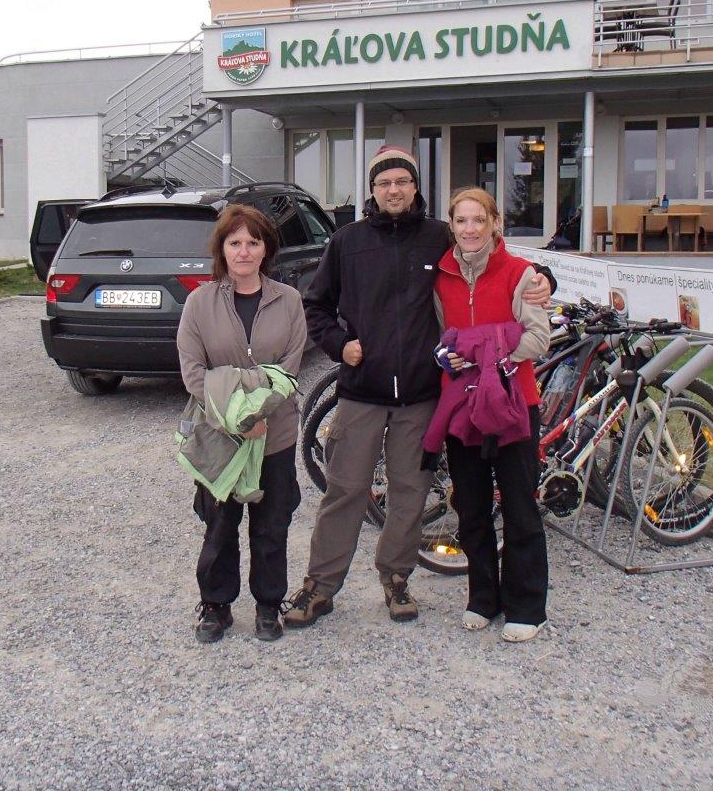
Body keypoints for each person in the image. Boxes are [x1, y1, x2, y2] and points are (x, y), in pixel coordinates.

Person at [284, 146, 552, 628]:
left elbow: (488, 257)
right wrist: (340, 345)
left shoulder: (437, 238)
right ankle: (319, 587)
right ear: (372, 190)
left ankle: (396, 578)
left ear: (415, 187)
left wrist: (544, 279)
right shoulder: (347, 242)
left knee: (409, 492)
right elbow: (316, 306)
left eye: (402, 182)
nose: (394, 190)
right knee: (345, 490)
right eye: (384, 183)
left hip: (422, 396)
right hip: (362, 391)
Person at [176, 204, 308, 644]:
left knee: (272, 525)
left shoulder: (288, 301)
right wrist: (237, 420)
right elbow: (194, 373)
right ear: (223, 249)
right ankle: (216, 605)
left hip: (275, 436)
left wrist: (257, 414)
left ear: (266, 248)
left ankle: (269, 604)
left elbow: (288, 369)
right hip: (220, 437)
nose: (244, 251)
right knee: (219, 525)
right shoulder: (200, 303)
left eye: (253, 242)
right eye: (235, 242)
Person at [435, 187, 551, 642]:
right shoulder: (441, 275)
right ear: (452, 225)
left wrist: (487, 355)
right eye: (461, 221)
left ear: (494, 223)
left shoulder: (520, 273)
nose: (470, 229)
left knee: (520, 505)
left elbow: (538, 338)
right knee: (471, 507)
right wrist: (446, 355)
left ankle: (527, 606)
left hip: (513, 404)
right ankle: (483, 597)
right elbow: (440, 336)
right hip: (463, 407)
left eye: (479, 220)